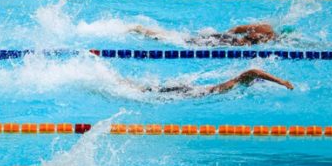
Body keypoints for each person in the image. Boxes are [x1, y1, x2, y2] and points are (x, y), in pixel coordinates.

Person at [122, 69, 294, 98]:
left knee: (147, 90)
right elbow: (254, 71)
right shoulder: (237, 81)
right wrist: (281, 81)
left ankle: (124, 83)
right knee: (144, 92)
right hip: (192, 92)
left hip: (193, 91)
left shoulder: (235, 84)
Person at [130, 23, 285, 46]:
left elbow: (240, 28)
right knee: (181, 40)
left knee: (179, 37)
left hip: (220, 36)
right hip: (219, 39)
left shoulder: (238, 39)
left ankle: (141, 29)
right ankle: (140, 29)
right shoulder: (237, 43)